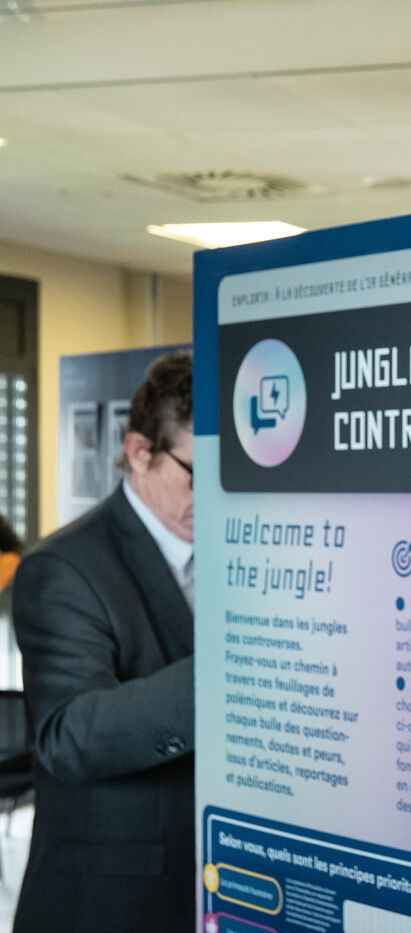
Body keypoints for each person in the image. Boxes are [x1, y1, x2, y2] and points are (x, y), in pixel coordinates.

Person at [12, 350, 195, 932]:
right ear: (140, 451)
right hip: (110, 898)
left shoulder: (241, 551)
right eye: (197, 473)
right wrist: (233, 671)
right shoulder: (64, 568)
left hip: (222, 883)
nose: (219, 494)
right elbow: (69, 734)